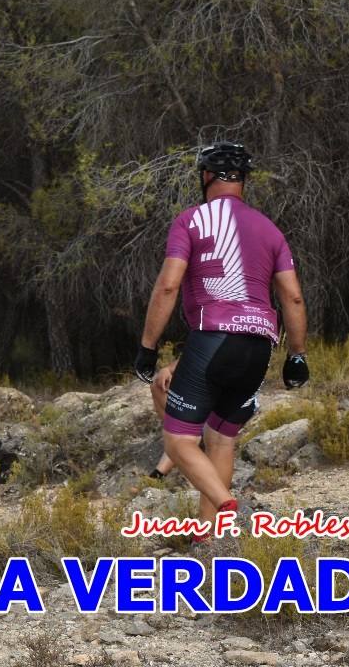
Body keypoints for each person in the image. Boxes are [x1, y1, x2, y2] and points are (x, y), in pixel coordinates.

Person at [134, 142, 308, 541]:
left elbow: (168, 285)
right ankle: (207, 540)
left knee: (179, 440)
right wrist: (297, 355)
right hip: (260, 344)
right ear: (243, 180)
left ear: (206, 176)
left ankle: (226, 505)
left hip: (214, 337)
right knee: (220, 437)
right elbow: (293, 297)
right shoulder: (270, 229)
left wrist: (148, 346)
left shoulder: (190, 220)